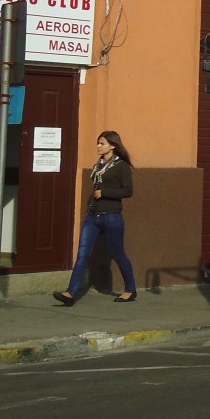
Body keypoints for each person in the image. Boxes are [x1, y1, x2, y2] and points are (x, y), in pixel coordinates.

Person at [54, 131, 138, 306]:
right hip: (93, 217)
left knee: (118, 253)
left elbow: (128, 191)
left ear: (112, 145)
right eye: (98, 143)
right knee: (83, 254)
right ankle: (70, 293)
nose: (98, 146)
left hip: (112, 217)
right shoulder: (98, 166)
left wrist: (105, 192)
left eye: (102, 143)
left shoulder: (121, 166)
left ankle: (130, 290)